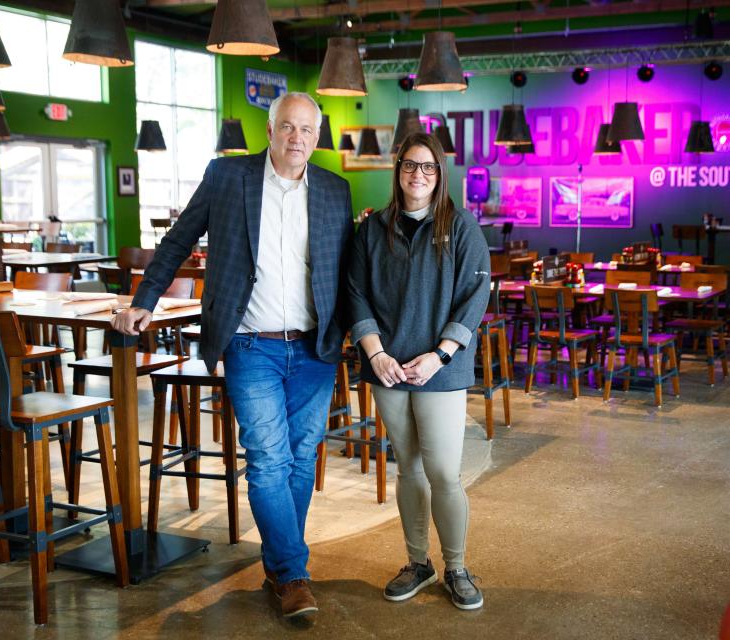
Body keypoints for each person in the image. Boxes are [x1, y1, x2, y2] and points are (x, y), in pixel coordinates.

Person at [111, 92, 354, 619]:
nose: (297, 138)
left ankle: (278, 565)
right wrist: (144, 301)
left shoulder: (336, 190)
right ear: (270, 130)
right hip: (249, 343)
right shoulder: (227, 178)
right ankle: (293, 575)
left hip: (315, 349)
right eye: (287, 127)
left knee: (298, 457)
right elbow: (176, 242)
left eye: (307, 130)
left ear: (317, 137)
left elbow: (349, 270)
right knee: (268, 459)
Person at [347, 132, 490, 610]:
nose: (418, 175)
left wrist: (440, 355)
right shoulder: (374, 228)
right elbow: (356, 292)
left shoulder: (461, 226)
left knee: (444, 472)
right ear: (398, 169)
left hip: (440, 371)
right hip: (387, 368)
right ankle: (418, 563)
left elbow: (475, 298)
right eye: (411, 165)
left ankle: (457, 567)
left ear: (440, 173)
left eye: (428, 167)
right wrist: (376, 354)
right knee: (408, 469)